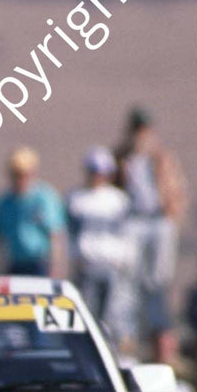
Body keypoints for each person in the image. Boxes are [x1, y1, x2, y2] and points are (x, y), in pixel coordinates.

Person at [115, 107, 186, 347]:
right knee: (129, 275)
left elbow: (176, 189)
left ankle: (159, 330)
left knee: (158, 278)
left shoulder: (161, 157)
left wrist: (173, 215)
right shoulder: (122, 157)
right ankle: (128, 332)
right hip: (133, 219)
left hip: (158, 219)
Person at [65, 146, 135, 350]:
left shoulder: (118, 200)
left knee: (113, 315)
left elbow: (126, 234)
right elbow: (70, 233)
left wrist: (124, 259)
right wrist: (75, 257)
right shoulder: (76, 198)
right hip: (87, 265)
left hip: (112, 265)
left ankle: (111, 351)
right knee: (87, 314)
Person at [0, 147, 67, 278]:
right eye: (15, 174)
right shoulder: (4, 202)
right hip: (15, 264)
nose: (19, 179)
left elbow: (54, 235)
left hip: (39, 264)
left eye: (23, 174)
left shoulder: (44, 198)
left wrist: (55, 268)